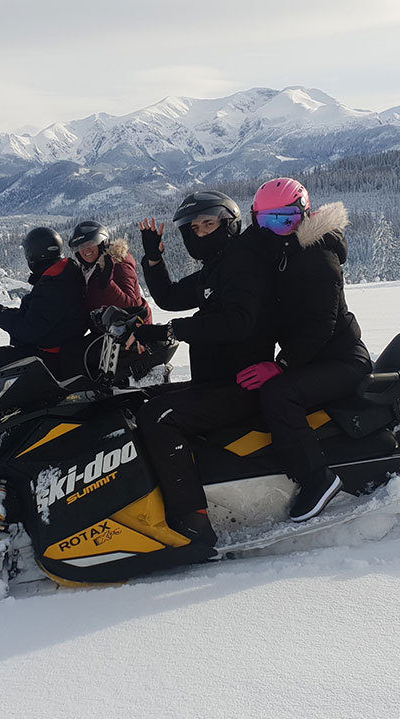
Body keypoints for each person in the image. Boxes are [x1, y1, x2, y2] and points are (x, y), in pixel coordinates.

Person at [130, 190, 275, 548]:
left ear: (229, 224)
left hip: (241, 387)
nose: (201, 233)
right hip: (215, 381)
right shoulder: (217, 266)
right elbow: (169, 298)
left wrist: (173, 330)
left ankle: (192, 523)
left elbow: (237, 323)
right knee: (137, 402)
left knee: (158, 418)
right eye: (194, 228)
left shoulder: (243, 264)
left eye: (209, 224)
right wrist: (152, 258)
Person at [236, 177, 372, 521]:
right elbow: (241, 249)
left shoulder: (319, 259)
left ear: (304, 216)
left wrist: (281, 365)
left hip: (341, 358)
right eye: (267, 220)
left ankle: (318, 478)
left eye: (286, 220)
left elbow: (320, 326)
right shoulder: (277, 247)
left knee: (279, 394)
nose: (276, 228)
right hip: (310, 357)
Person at [0, 227, 89, 380]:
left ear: (35, 254)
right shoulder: (61, 275)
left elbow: (28, 329)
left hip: (48, 357)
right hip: (54, 348)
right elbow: (34, 315)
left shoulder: (54, 285)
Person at [68, 220, 152, 324]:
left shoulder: (119, 264)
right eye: (80, 247)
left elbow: (132, 307)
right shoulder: (87, 271)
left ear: (101, 243)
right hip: (106, 330)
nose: (85, 250)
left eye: (90, 243)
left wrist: (108, 285)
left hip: (133, 331)